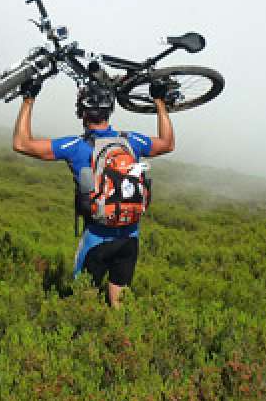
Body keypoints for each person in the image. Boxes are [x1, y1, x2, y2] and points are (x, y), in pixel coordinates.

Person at [12, 78, 174, 307]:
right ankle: (124, 339)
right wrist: (159, 101)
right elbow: (167, 143)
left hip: (97, 238)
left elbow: (21, 144)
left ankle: (83, 340)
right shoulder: (132, 141)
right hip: (130, 237)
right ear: (109, 111)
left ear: (82, 113)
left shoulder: (76, 146)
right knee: (120, 304)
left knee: (82, 303)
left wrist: (29, 98)